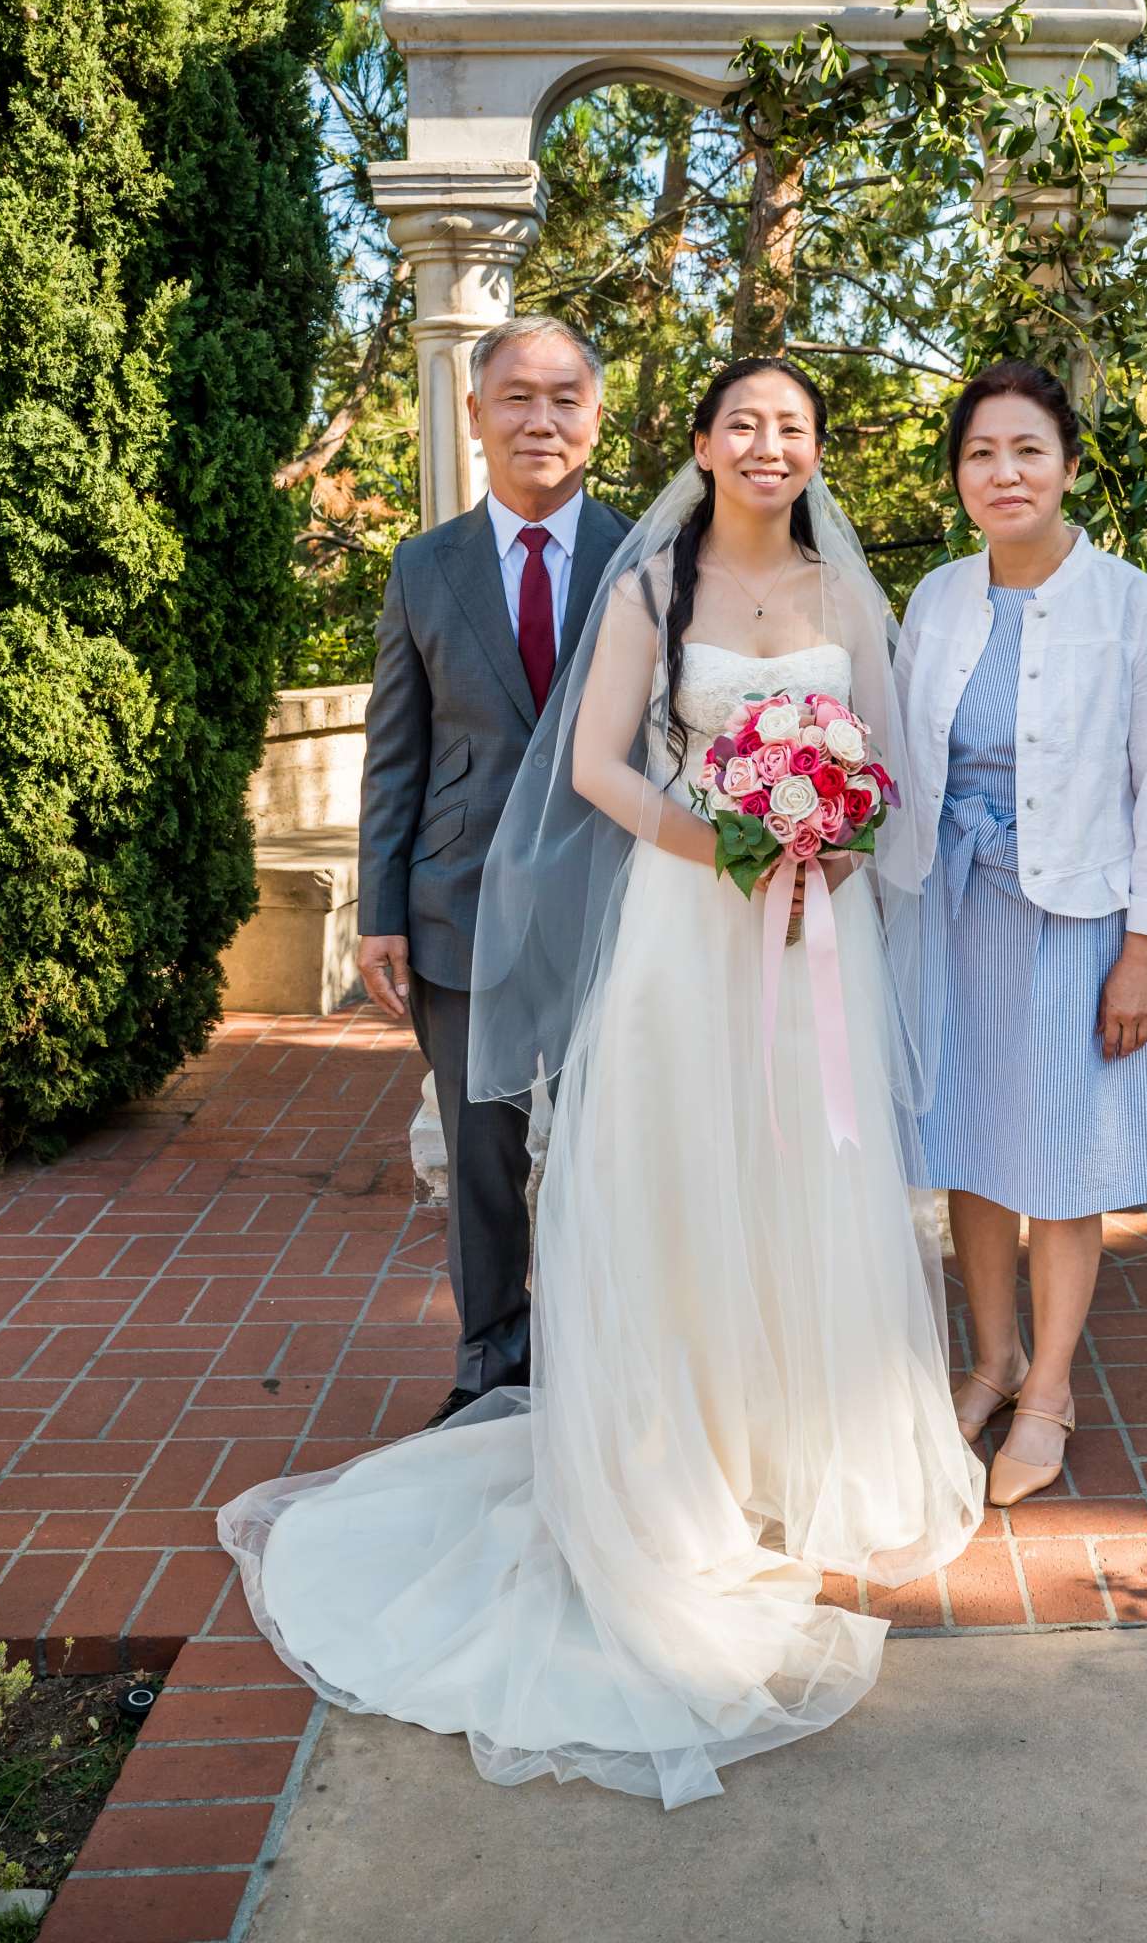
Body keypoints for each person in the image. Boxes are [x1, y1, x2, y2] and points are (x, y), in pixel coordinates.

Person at [219, 357, 983, 1810]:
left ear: (818, 452)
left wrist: (827, 828)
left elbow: (884, 766)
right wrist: (732, 843)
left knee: (803, 1171)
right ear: (701, 443)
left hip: (817, 933)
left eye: (794, 427)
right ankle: (676, 1449)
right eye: (742, 423)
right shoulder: (650, 586)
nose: (768, 445)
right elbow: (596, 767)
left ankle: (797, 1441)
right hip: (691, 932)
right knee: (683, 1174)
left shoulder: (842, 590)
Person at [896, 360, 1147, 1509]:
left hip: (1082, 921)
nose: (1004, 472)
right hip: (956, 912)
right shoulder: (934, 600)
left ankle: (1052, 1392)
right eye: (981, 454)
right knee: (972, 1148)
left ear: (1070, 467)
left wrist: (1146, 951)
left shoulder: (1131, 604)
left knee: (1065, 1167)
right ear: (960, 478)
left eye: (1027, 450)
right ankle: (992, 1360)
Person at [354, 314, 630, 1428]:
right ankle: (487, 1366)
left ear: (595, 417)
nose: (541, 417)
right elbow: (396, 750)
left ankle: (601, 1355)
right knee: (482, 1153)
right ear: (474, 414)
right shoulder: (425, 568)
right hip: (458, 903)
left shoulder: (649, 557)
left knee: (611, 1143)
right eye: (516, 395)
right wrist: (380, 913)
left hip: (614, 903)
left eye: (566, 396)